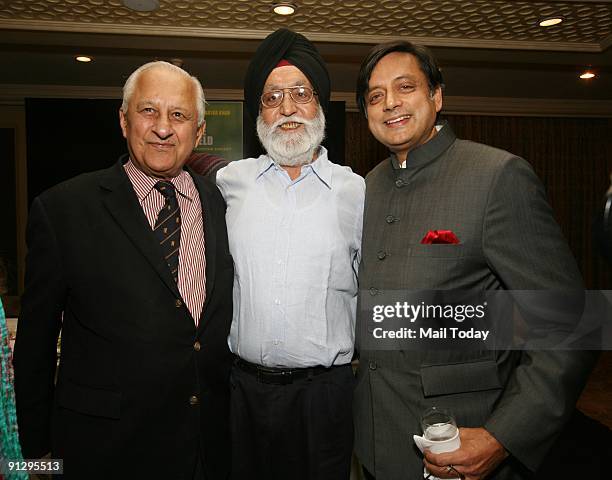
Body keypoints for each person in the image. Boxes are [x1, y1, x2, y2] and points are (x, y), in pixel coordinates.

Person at [353, 41, 597, 480]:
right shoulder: (364, 189)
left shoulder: (496, 177)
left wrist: (502, 437)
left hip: (464, 446)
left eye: (405, 86)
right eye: (375, 95)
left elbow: (570, 325)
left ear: (437, 96)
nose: (389, 102)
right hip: (373, 447)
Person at [13, 61, 234, 479]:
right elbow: (35, 347)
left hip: (207, 450)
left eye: (179, 115)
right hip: (104, 451)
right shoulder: (63, 210)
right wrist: (38, 454)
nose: (163, 128)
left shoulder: (225, 206)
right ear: (123, 120)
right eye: (148, 111)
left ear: (199, 131)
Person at [215, 28, 364, 480]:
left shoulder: (356, 192)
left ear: (320, 105)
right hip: (241, 393)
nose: (287, 109)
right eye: (272, 97)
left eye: (301, 93)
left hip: (326, 397)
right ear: (257, 112)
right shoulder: (228, 184)